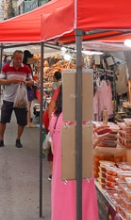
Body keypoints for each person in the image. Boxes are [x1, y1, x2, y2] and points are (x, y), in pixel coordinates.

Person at [49, 89, 99, 220]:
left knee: (63, 208)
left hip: (60, 175)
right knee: (77, 207)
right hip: (76, 175)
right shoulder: (75, 119)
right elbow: (83, 147)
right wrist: (99, 140)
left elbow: (54, 147)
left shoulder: (56, 116)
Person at [0, 50, 34, 148]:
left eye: (20, 59)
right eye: (17, 58)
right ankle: (1, 139)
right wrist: (10, 81)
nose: (18, 60)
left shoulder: (26, 68)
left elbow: (31, 82)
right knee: (3, 120)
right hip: (8, 98)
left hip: (20, 99)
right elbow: (0, 81)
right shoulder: (6, 67)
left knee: (21, 121)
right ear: (12, 58)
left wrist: (25, 82)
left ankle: (18, 139)